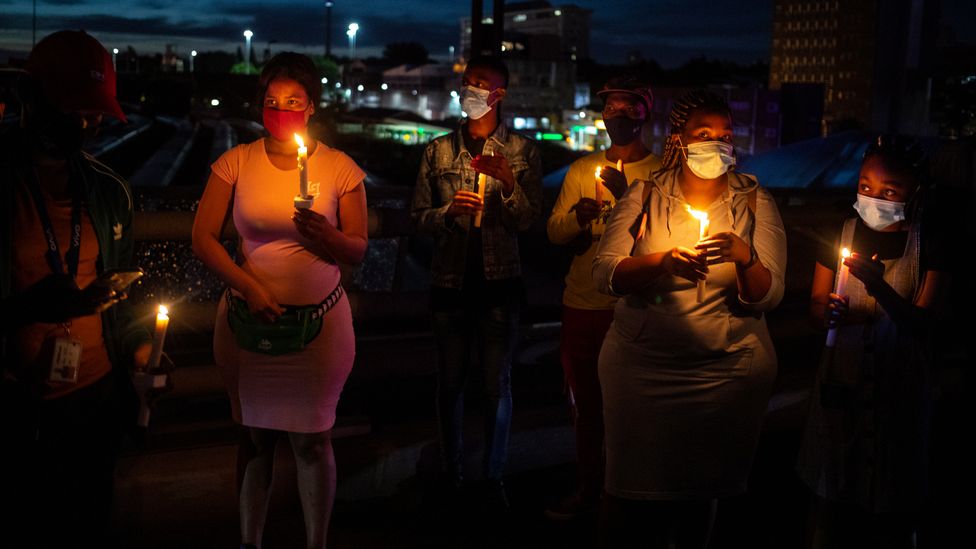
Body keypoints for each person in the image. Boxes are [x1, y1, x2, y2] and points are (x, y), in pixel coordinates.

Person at [591, 90, 787, 548]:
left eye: (725, 136)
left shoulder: (756, 200)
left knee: (701, 497)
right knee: (626, 500)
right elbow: (606, 273)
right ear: (679, 139)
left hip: (726, 372)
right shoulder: (644, 193)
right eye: (704, 134)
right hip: (642, 370)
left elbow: (770, 295)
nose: (717, 145)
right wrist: (660, 262)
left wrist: (745, 257)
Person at [192, 52, 367, 549]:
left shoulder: (339, 169)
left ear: (312, 106)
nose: (281, 109)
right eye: (271, 101)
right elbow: (202, 237)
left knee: (313, 440)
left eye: (293, 100)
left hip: (320, 324)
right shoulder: (236, 161)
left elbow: (357, 246)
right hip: (247, 322)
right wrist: (249, 286)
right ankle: (250, 540)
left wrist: (327, 235)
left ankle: (317, 541)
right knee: (253, 437)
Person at [0, 30, 150, 546]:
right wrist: (25, 310)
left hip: (93, 402)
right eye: (71, 110)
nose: (83, 125)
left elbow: (122, 298)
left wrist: (141, 347)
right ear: (30, 96)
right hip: (16, 408)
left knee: (87, 523)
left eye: (94, 115)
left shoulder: (108, 192)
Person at [796, 136, 951, 548]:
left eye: (890, 191)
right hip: (839, 385)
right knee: (831, 500)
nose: (874, 198)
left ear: (914, 192)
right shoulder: (840, 230)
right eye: (865, 186)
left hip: (899, 391)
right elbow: (815, 305)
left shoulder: (931, 243)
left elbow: (921, 322)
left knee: (894, 506)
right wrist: (824, 311)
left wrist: (879, 289)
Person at [411, 55, 542, 509]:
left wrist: (508, 183)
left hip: (500, 285)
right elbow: (418, 218)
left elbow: (528, 220)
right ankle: (453, 474)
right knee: (449, 385)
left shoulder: (523, 151)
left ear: (499, 94)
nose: (470, 90)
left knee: (496, 385)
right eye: (467, 83)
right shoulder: (438, 151)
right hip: (449, 282)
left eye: (480, 84)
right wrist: (448, 212)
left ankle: (493, 477)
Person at [545, 74, 660, 520]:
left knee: (635, 409)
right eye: (610, 106)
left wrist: (625, 197)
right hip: (583, 302)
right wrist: (577, 216)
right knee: (587, 407)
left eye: (628, 106)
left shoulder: (660, 174)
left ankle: (633, 498)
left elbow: (663, 239)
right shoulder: (579, 170)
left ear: (645, 112)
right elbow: (555, 231)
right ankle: (591, 491)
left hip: (633, 307)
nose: (618, 114)